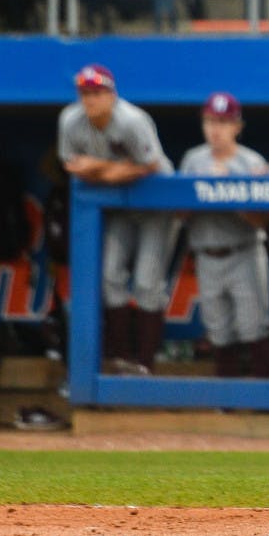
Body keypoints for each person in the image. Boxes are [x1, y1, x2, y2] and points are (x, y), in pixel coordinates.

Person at [57, 64, 175, 376]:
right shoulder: (70, 120)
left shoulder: (132, 120)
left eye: (97, 92)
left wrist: (98, 168)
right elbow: (72, 166)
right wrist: (115, 170)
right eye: (85, 92)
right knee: (109, 278)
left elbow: (150, 165)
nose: (90, 99)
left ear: (112, 95)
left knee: (147, 282)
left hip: (155, 205)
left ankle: (146, 363)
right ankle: (121, 357)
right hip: (121, 206)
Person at [179, 92, 269, 378]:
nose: (215, 129)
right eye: (210, 121)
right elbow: (179, 213)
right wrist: (201, 190)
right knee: (219, 332)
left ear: (237, 126)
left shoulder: (251, 162)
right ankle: (227, 398)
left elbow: (264, 221)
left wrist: (230, 191)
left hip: (243, 251)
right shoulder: (193, 159)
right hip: (206, 254)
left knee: (254, 328)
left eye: (223, 122)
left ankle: (267, 398)